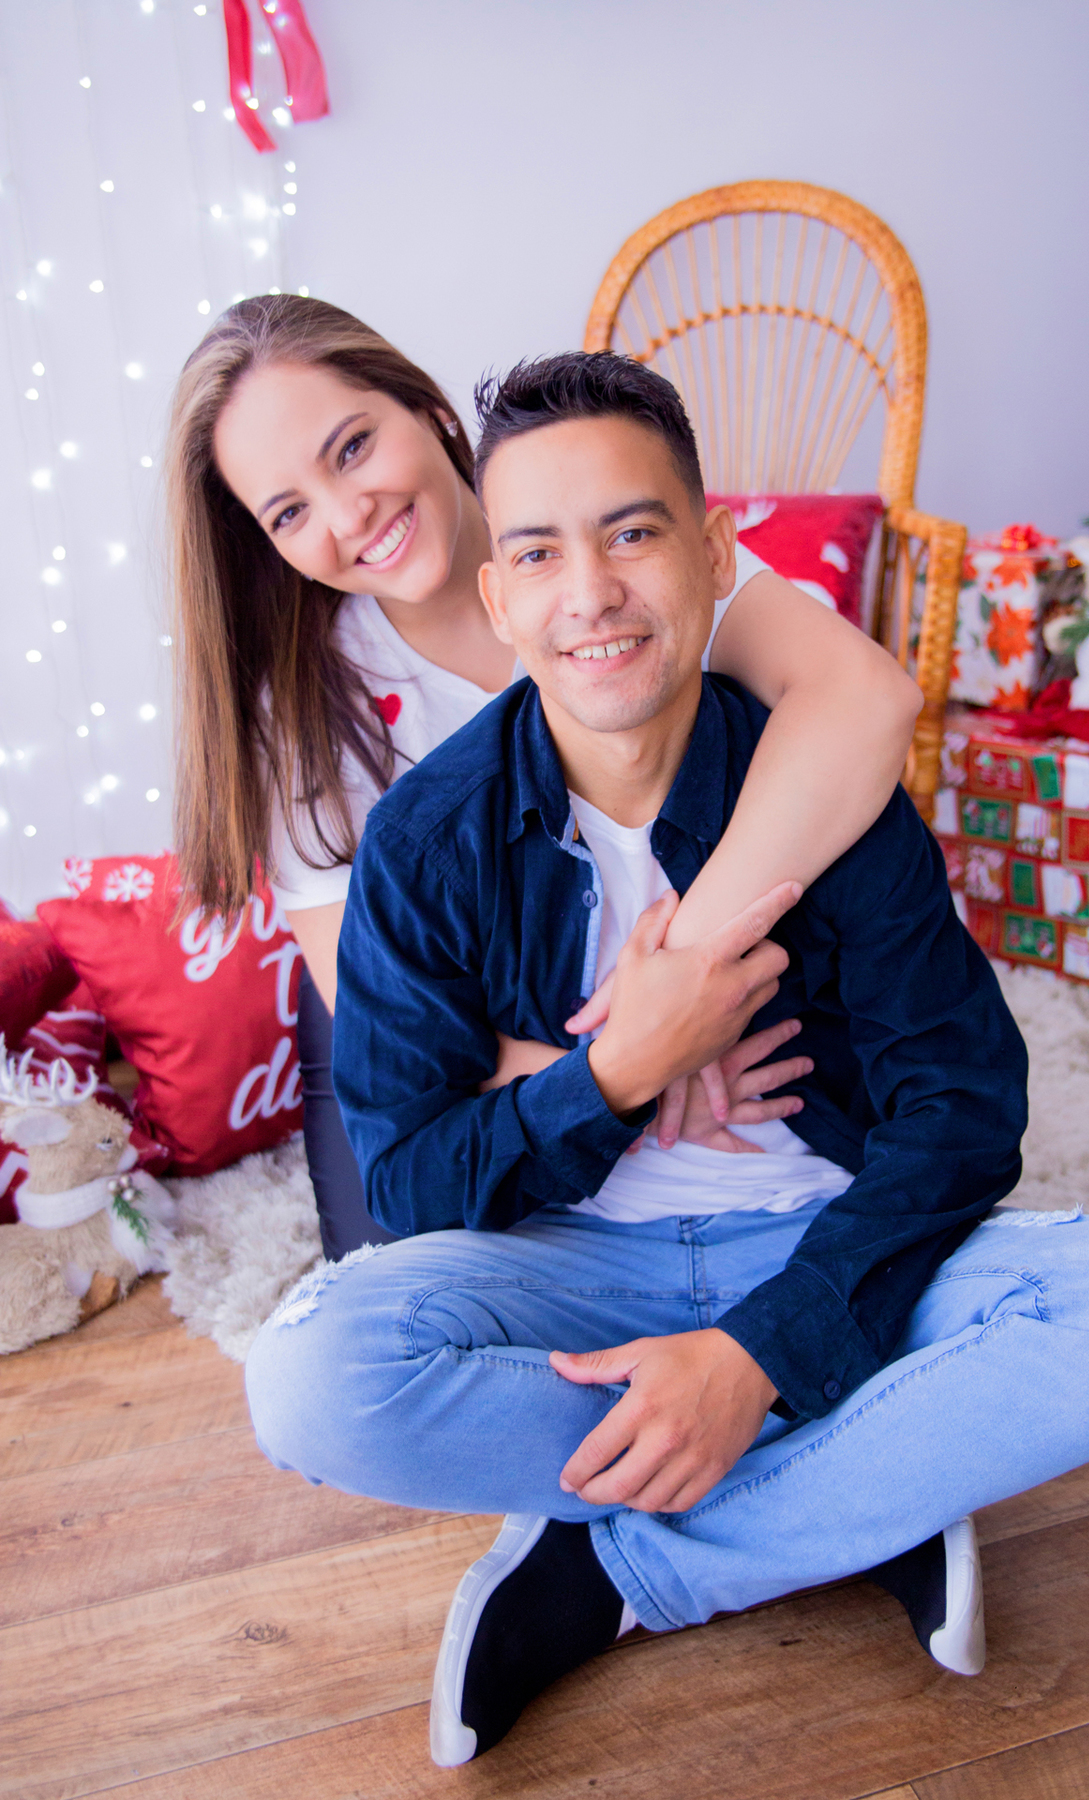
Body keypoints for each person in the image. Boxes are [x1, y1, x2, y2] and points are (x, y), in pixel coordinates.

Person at [244, 353, 1089, 1768]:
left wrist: (762, 1350)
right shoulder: (426, 842)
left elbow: (960, 1109)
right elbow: (412, 1181)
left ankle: (624, 1563)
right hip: (575, 1269)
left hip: (822, 1230)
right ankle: (869, 1483)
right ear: (498, 598)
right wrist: (611, 1078)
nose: (592, 593)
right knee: (312, 1378)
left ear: (713, 554)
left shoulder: (818, 784)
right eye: (539, 553)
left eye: (632, 534)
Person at [167, 296, 922, 1260]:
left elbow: (865, 701)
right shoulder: (306, 718)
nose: (349, 515)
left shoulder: (611, 539)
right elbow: (390, 1032)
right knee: (393, 1284)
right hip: (438, 1030)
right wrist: (636, 1064)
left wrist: (685, 979)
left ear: (426, 409)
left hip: (667, 970)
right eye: (289, 512)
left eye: (352, 448)